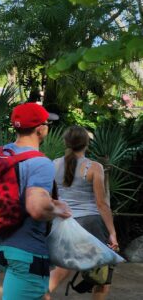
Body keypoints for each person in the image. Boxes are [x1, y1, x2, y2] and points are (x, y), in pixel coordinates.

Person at [0, 102, 72, 300]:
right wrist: (57, 208)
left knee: (40, 294)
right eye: (47, 124)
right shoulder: (40, 162)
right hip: (25, 252)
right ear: (40, 129)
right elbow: (36, 208)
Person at [47, 126, 118, 299]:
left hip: (63, 223)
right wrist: (112, 233)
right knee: (101, 275)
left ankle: (40, 296)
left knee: (62, 268)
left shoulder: (53, 164)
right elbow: (101, 204)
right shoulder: (94, 167)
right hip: (90, 224)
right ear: (87, 144)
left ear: (66, 142)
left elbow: (50, 197)